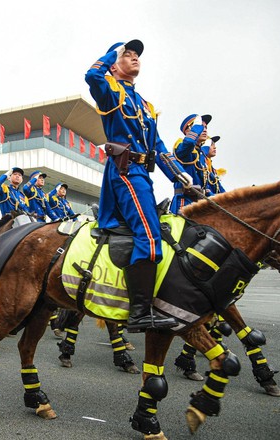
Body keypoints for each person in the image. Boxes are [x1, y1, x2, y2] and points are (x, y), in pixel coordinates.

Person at [85, 39, 191, 332]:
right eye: (127, 55)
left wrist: (180, 176)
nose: (134, 59)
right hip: (126, 171)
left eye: (136, 56)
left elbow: (158, 145)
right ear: (115, 64)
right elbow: (92, 76)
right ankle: (140, 312)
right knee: (149, 233)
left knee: (159, 231)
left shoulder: (144, 104)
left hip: (143, 173)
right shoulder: (110, 92)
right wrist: (112, 54)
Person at [170, 114, 212, 214]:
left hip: (200, 202)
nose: (204, 130)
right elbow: (188, 143)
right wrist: (196, 128)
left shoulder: (201, 155)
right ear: (188, 130)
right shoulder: (182, 147)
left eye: (205, 127)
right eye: (200, 126)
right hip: (185, 202)